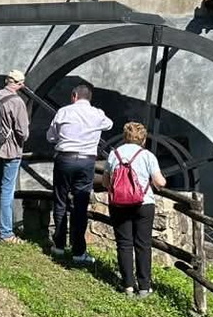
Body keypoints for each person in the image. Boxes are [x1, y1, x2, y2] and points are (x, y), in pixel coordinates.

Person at [47, 83, 112, 263]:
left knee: (60, 201)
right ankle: (78, 252)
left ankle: (59, 246)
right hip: (86, 161)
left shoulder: (63, 112)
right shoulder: (97, 113)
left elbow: (50, 136)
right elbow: (109, 125)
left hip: (64, 159)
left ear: (74, 96)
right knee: (81, 205)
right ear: (89, 98)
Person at [103, 122, 166, 297]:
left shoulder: (114, 154)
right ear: (143, 139)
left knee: (124, 244)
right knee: (143, 245)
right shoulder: (147, 155)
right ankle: (144, 287)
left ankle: (128, 286)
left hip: (118, 204)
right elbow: (160, 182)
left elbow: (106, 182)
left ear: (124, 137)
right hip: (143, 204)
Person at [0, 70, 30, 244]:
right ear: (20, 84)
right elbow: (23, 132)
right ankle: (6, 233)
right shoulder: (17, 101)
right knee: (7, 191)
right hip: (11, 150)